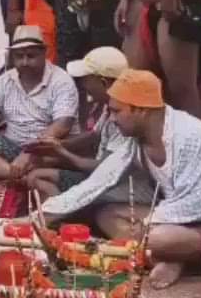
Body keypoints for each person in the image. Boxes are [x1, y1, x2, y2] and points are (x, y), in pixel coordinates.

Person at [42, 69, 201, 289]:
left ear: (141, 110)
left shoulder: (190, 137)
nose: (111, 120)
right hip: (176, 220)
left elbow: (198, 204)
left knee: (157, 238)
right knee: (106, 214)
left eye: (116, 112)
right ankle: (169, 258)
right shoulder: (137, 139)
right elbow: (98, 182)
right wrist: (44, 215)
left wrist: (145, 223)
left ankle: (164, 254)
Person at [25, 46, 154, 201]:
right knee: (39, 169)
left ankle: (63, 214)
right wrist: (57, 145)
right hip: (99, 175)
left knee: (38, 177)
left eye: (86, 79)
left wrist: (62, 153)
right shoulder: (109, 105)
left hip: (114, 185)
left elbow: (105, 169)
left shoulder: (124, 117)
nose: (83, 85)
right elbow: (94, 135)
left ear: (104, 82)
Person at [0, 25, 78, 183]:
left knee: (56, 154)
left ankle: (9, 173)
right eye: (19, 56)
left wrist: (30, 152)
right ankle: (18, 174)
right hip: (13, 147)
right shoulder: (4, 81)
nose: (25, 62)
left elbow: (63, 125)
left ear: (44, 53)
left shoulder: (61, 80)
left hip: (46, 150)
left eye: (31, 56)